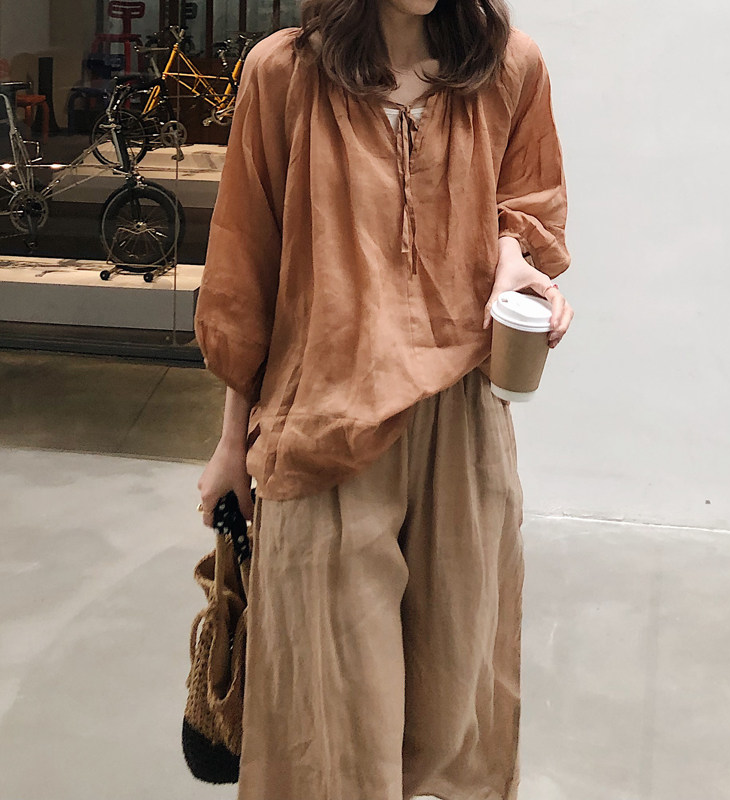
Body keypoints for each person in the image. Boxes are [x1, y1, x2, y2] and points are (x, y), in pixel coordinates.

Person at [195, 0, 573, 797]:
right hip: (322, 424)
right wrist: (232, 443)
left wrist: (512, 255)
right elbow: (245, 274)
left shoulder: (510, 68)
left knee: (453, 707)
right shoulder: (285, 74)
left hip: (462, 423)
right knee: (330, 723)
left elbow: (528, 201)